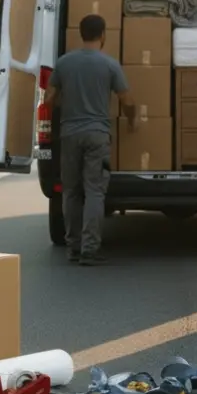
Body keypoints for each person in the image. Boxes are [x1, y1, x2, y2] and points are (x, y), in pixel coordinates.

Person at [44, 14, 138, 266]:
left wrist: (66, 104)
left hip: (69, 134)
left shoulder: (64, 64)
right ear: (103, 35)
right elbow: (126, 100)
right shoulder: (109, 65)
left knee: (71, 191)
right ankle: (90, 249)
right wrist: (130, 120)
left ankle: (73, 247)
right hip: (97, 134)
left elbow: (48, 98)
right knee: (95, 191)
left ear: (80, 33)